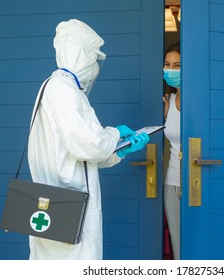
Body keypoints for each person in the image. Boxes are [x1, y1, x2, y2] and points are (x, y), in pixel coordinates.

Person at [27, 19, 149, 260]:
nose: (94, 66)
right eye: (93, 58)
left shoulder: (58, 87)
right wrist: (114, 133)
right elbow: (90, 145)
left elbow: (75, 152)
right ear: (79, 53)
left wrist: (118, 152)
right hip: (67, 203)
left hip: (58, 199)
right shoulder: (62, 89)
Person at [162, 41, 181, 260]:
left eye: (177, 65)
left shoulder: (199, 100)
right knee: (179, 250)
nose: (170, 70)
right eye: (167, 65)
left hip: (195, 182)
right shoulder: (169, 100)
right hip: (171, 184)